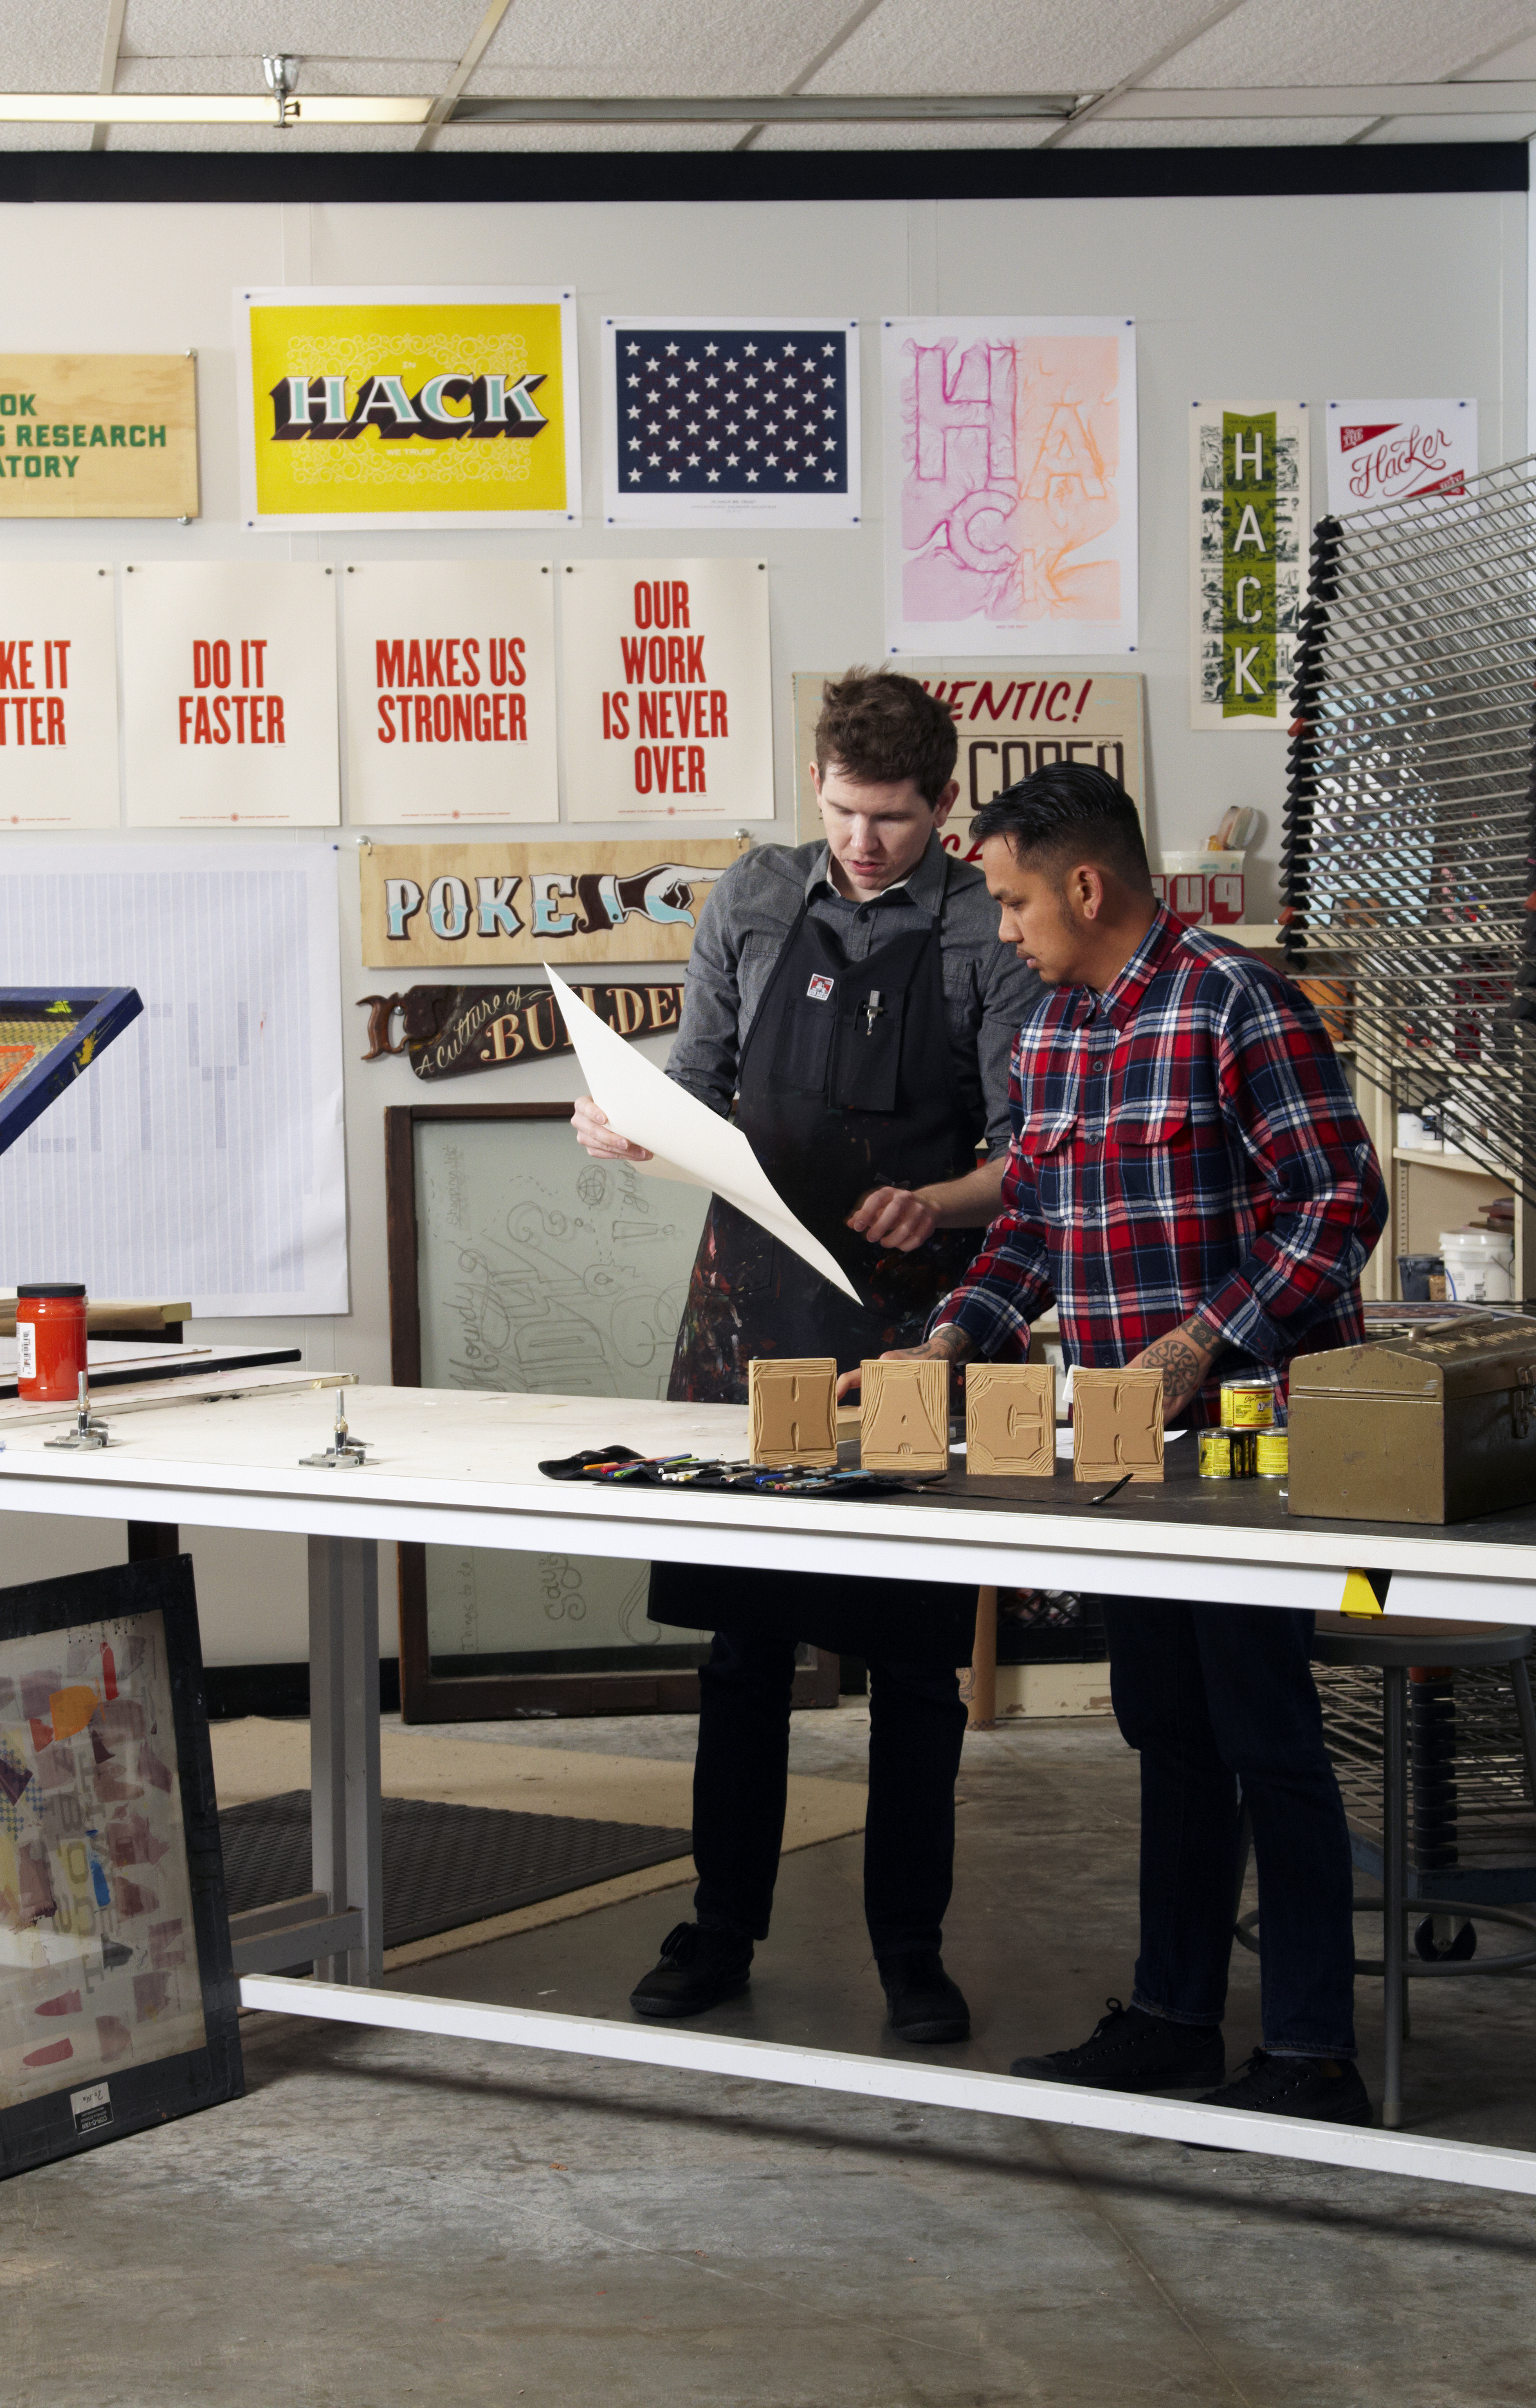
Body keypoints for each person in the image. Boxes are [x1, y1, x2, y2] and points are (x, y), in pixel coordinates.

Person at [888, 760, 1390, 2126]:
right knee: (1168, 1730)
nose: (1002, 929)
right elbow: (1036, 1230)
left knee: (1267, 1736)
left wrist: (1205, 1338)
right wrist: (953, 1335)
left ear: (1086, 886)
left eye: (1008, 901)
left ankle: (1309, 2051)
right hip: (1125, 1458)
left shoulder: (1237, 1005)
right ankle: (1173, 2018)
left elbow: (1340, 1200)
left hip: (1254, 1450)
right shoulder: (1053, 1035)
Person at [571, 670, 1041, 2044]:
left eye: (892, 819)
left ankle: (912, 1947)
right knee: (742, 1645)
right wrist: (634, 1126)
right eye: (842, 811)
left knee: (913, 1661)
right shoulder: (756, 899)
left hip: (922, 1319)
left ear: (942, 806)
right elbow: (703, 1083)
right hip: (751, 1309)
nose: (863, 843)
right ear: (816, 785)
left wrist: (939, 1204)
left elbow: (1031, 1154)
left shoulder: (984, 929)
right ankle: (721, 1931)